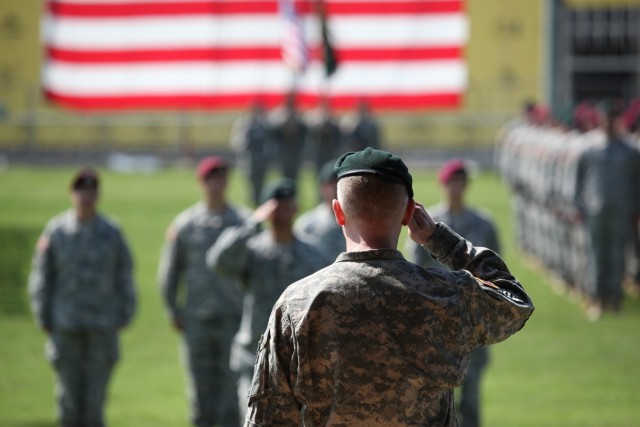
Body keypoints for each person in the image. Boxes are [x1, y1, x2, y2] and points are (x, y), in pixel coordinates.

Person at [243, 148, 534, 426]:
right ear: (409, 214)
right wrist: (442, 241)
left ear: (338, 213)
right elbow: (514, 302)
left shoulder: (297, 303)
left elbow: (267, 418)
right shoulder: (444, 293)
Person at [206, 178, 328, 420]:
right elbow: (218, 261)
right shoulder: (252, 250)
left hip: (300, 359)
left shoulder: (312, 254)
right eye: (276, 206)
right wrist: (252, 222)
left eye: (286, 205)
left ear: (296, 208)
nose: (281, 212)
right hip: (255, 356)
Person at [28, 167, 137, 427]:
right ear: (72, 193)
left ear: (98, 195)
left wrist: (125, 313)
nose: (86, 195)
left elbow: (125, 275)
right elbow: (41, 277)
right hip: (66, 328)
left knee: (95, 404)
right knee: (68, 401)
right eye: (81, 190)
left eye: (91, 190)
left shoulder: (111, 232)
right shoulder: (56, 231)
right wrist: (42, 315)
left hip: (101, 328)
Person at [405, 159, 500, 427]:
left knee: (470, 397)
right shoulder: (427, 224)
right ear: (443, 186)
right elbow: (412, 270)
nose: (456, 188)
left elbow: (495, 269)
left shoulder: (483, 223)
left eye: (460, 183)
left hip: (471, 321)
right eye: (451, 183)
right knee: (437, 399)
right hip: (436, 321)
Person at [157, 156, 248, 427]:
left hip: (234, 319)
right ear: (202, 183)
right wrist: (172, 308)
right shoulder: (186, 224)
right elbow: (170, 271)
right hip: (196, 321)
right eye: (212, 178)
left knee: (232, 394)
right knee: (200, 393)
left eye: (221, 177)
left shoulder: (242, 221)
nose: (217, 184)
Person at [574, 108, 640, 319]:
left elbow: (636, 183)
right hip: (596, 211)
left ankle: (615, 298)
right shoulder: (591, 149)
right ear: (600, 121)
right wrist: (579, 205)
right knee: (596, 255)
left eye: (613, 119)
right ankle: (597, 299)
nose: (610, 124)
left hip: (622, 212)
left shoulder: (630, 151)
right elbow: (579, 179)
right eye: (606, 119)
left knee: (618, 256)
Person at [294, 160, 344, 262]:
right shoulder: (307, 224)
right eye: (332, 183)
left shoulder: (358, 221)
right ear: (322, 188)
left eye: (341, 182)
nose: (337, 188)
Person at [230, 102, 276, 206]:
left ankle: (260, 199)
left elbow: (271, 141)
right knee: (251, 182)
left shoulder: (265, 125)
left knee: (261, 181)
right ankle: (253, 201)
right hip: (250, 159)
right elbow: (239, 142)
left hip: (262, 158)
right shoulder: (244, 124)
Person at [270, 93, 308, 191]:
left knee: (295, 175)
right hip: (284, 149)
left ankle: (293, 193)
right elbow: (274, 128)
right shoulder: (280, 113)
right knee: (284, 174)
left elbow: (305, 129)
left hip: (295, 150)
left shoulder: (298, 113)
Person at [307, 99, 343, 183]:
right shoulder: (315, 121)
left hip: (330, 152)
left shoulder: (333, 121)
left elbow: (338, 136)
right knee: (319, 175)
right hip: (319, 153)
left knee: (331, 174)